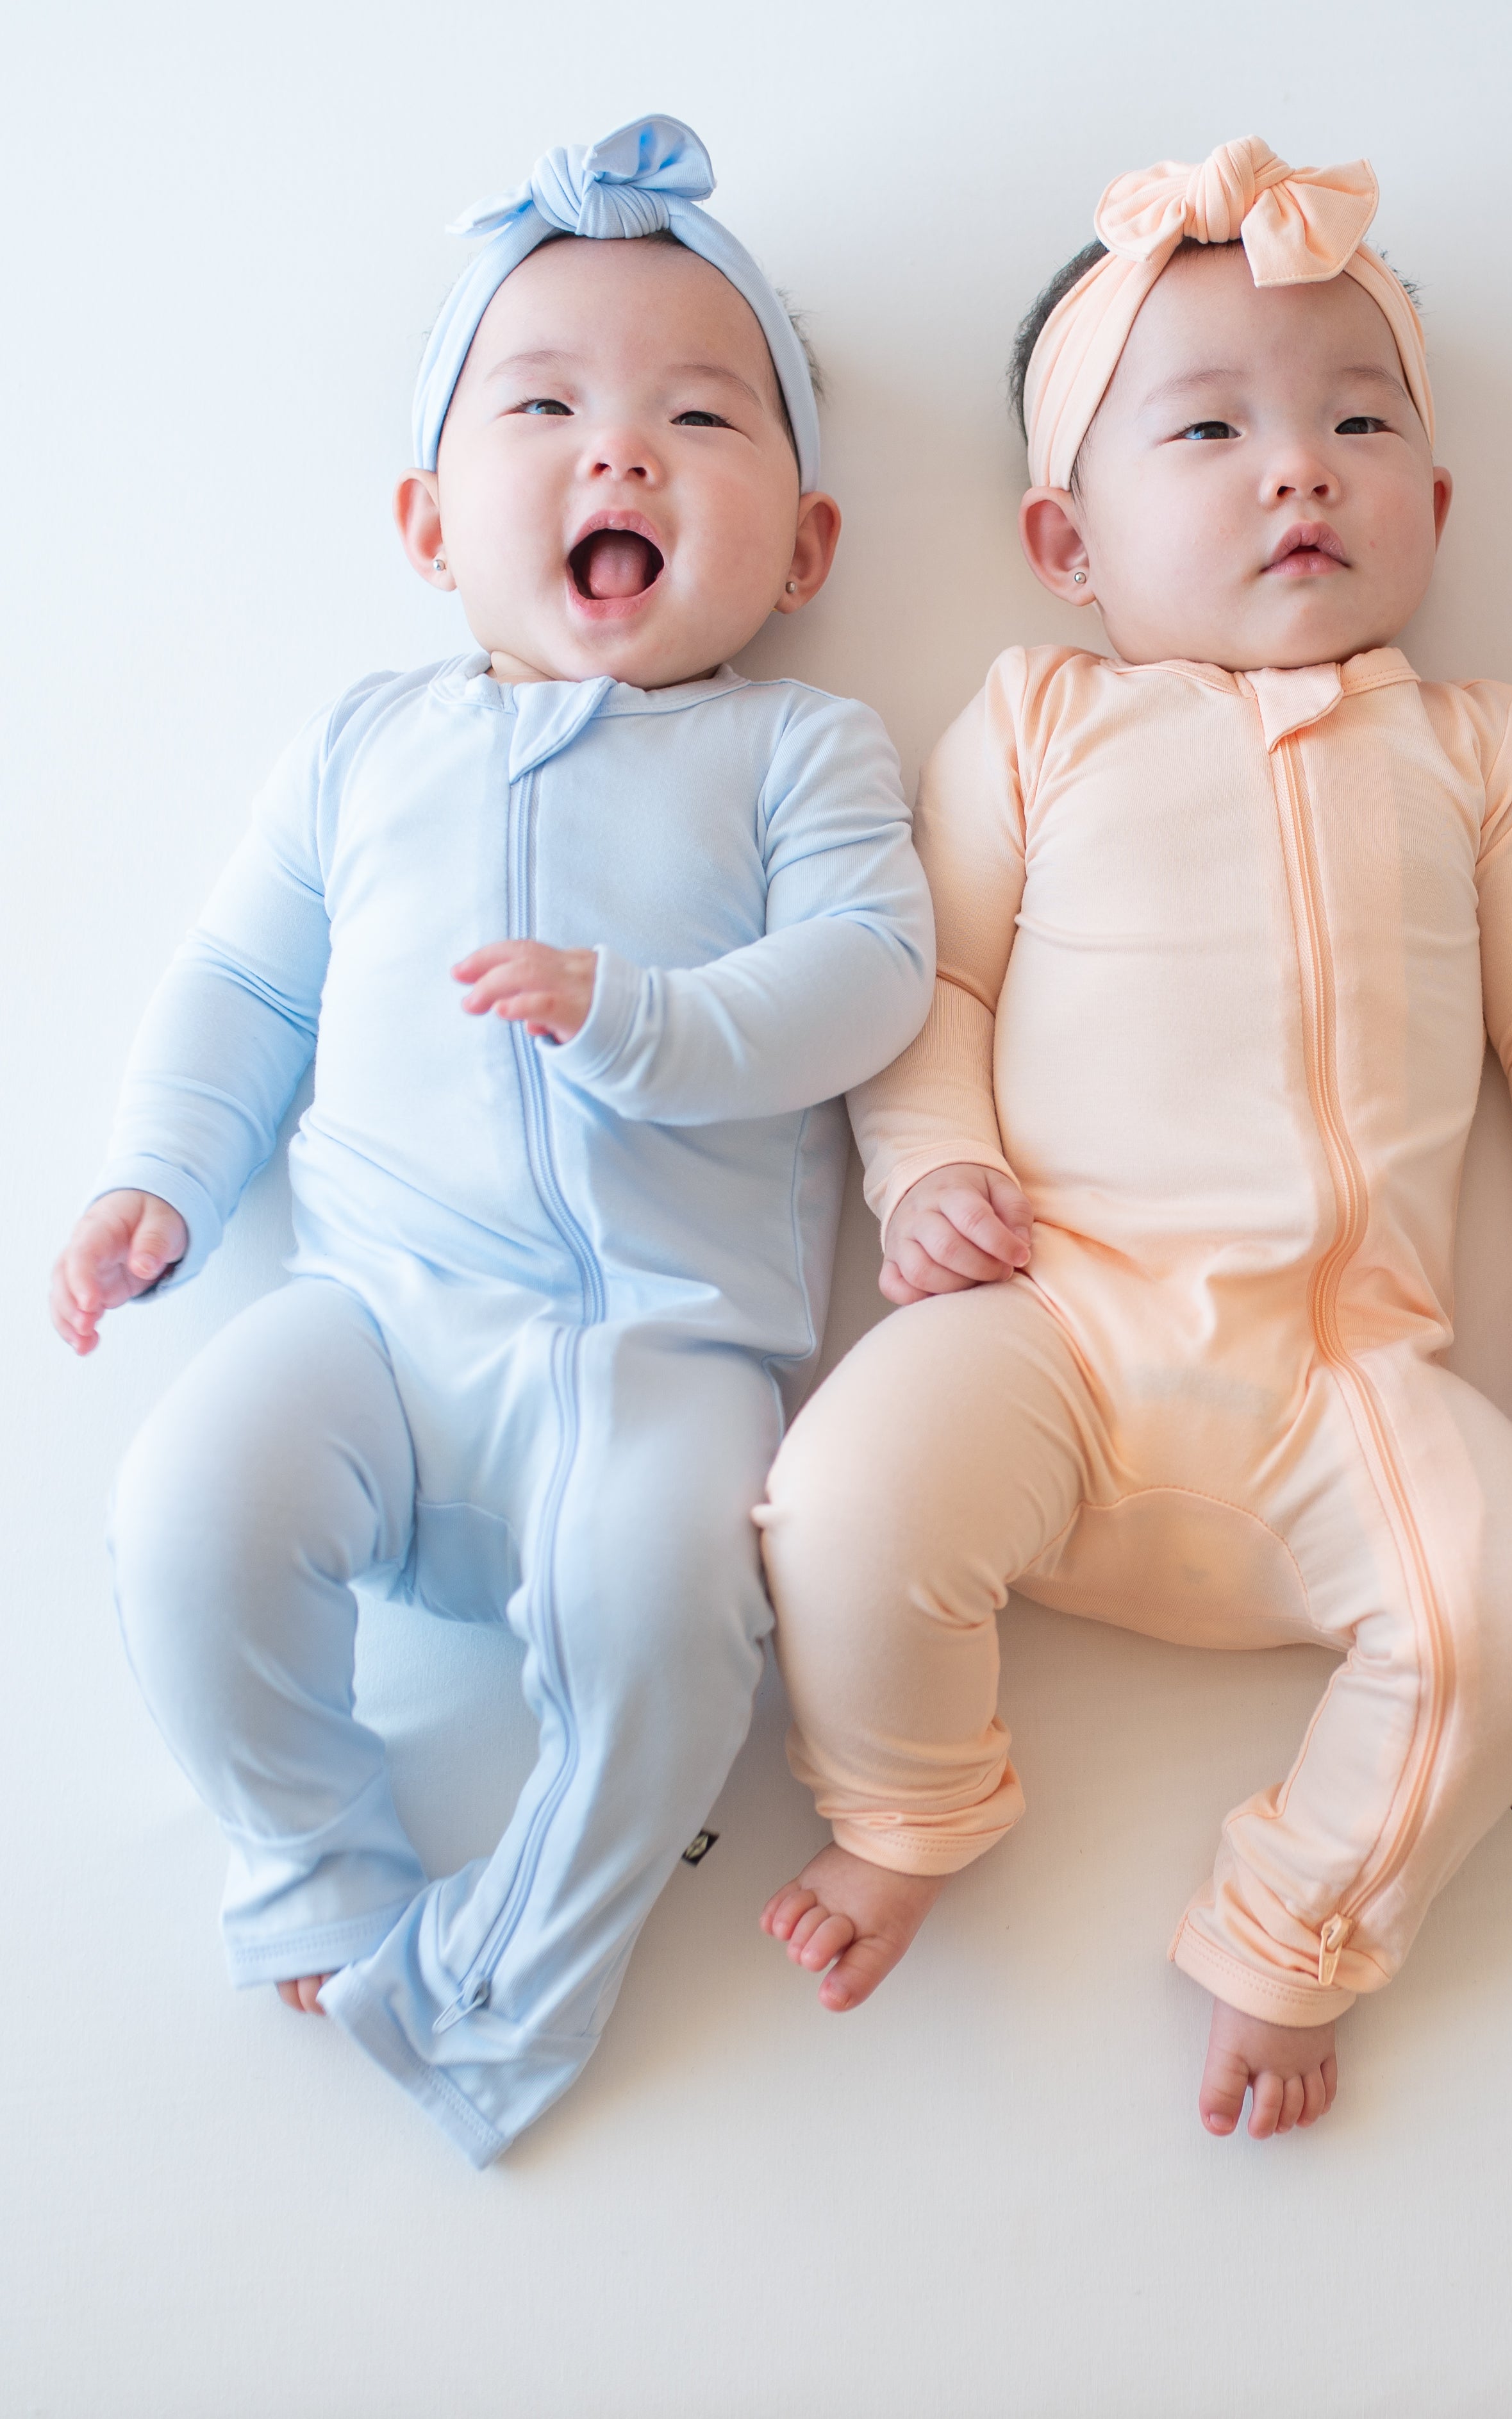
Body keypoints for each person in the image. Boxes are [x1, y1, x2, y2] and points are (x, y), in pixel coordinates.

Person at [756, 138, 1512, 2139]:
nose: (1300, 468)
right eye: (1210, 427)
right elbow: (940, 989)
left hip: (1344, 1378)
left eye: (1359, 423)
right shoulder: (1031, 722)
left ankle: (1298, 1925)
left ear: (1436, 505)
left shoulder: (1481, 750)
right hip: (1055, 1324)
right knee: (841, 1500)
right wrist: (927, 1179)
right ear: (1066, 541)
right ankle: (912, 1807)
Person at [48, 115, 933, 2164]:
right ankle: (316, 1862)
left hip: (657, 1347)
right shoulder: (364, 744)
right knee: (185, 1509)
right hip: (373, 1307)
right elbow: (248, 985)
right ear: (429, 520)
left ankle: (508, 1993)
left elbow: (871, 977)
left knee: (668, 1631)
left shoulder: (799, 744)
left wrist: (646, 1016)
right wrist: (160, 1176)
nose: (616, 454)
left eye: (699, 417)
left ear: (803, 548)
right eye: (543, 408)